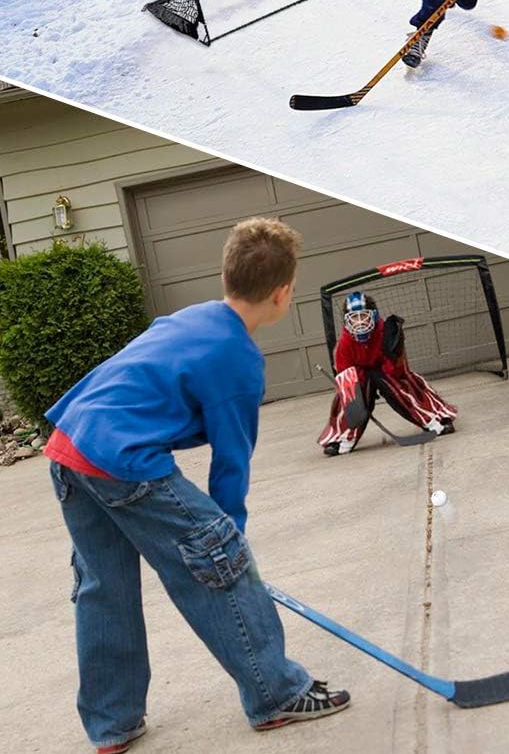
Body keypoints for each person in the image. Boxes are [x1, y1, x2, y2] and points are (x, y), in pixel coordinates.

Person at [44, 218, 350, 754]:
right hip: (123, 459)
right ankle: (277, 693)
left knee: (104, 587)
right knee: (219, 558)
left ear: (225, 274)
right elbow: (231, 466)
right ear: (283, 294)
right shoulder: (239, 362)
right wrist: (229, 542)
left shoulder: (191, 317)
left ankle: (112, 724)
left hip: (71, 446)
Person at [317, 292, 457, 455]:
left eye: (364, 316)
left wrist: (394, 356)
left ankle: (433, 420)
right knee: (349, 395)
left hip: (384, 371)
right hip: (360, 375)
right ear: (347, 320)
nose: (360, 322)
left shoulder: (384, 332)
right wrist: (361, 391)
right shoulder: (344, 344)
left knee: (397, 384)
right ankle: (343, 437)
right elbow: (345, 376)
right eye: (354, 317)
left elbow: (399, 370)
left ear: (373, 316)